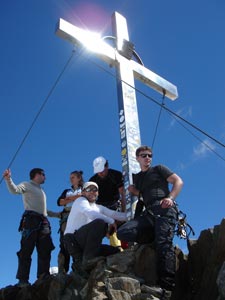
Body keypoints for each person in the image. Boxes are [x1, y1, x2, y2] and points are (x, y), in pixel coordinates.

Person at [117, 146, 183, 300]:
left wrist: (171, 198)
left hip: (164, 209)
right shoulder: (138, 178)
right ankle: (154, 238)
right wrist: (137, 192)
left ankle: (167, 288)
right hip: (148, 213)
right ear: (137, 158)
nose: (148, 158)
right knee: (123, 232)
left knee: (163, 244)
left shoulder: (159, 169)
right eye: (144, 155)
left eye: (150, 155)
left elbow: (178, 181)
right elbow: (142, 195)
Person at [3, 168, 55, 287]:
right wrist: (8, 179)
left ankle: (43, 276)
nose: (45, 177)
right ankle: (23, 280)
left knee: (45, 249)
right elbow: (15, 190)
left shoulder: (41, 191)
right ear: (37, 175)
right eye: (43, 174)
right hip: (31, 221)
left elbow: (44, 210)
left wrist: (58, 215)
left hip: (43, 221)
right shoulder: (27, 184)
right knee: (26, 250)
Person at [63, 181, 127, 275]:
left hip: (88, 245)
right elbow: (90, 213)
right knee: (100, 223)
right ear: (83, 192)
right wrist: (111, 221)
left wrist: (132, 215)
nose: (92, 192)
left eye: (95, 190)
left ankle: (84, 263)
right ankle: (88, 259)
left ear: (98, 193)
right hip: (73, 240)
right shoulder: (80, 201)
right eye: (89, 189)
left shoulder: (99, 207)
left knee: (115, 251)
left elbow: (115, 214)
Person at [89, 156, 126, 248]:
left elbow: (123, 194)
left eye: (102, 170)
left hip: (115, 204)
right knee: (98, 230)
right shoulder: (93, 180)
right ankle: (94, 253)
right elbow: (90, 199)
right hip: (100, 207)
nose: (100, 173)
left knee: (122, 226)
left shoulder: (116, 175)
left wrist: (123, 211)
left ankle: (126, 249)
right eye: (98, 171)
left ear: (107, 166)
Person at [56, 170, 84, 273]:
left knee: (79, 241)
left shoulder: (84, 188)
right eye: (70, 177)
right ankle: (62, 271)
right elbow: (59, 202)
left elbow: (84, 197)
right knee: (64, 243)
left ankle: (79, 267)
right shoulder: (66, 191)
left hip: (80, 216)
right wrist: (75, 198)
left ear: (79, 178)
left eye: (73, 177)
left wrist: (68, 199)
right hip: (67, 217)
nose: (70, 179)